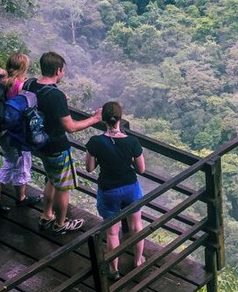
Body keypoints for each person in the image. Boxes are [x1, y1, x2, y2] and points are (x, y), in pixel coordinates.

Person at [24, 51, 101, 234]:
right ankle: (60, 224)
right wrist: (95, 119)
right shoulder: (55, 95)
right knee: (63, 187)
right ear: (58, 70)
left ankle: (46, 215)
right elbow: (70, 127)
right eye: (63, 71)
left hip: (37, 144)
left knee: (51, 178)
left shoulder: (30, 84)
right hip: (56, 147)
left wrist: (60, 100)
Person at [85, 102, 146, 280]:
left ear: (103, 119)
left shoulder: (95, 142)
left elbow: (89, 168)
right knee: (136, 227)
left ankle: (114, 269)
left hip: (108, 190)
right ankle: (137, 261)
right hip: (130, 188)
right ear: (121, 118)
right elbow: (141, 169)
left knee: (112, 232)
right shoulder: (132, 141)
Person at [0, 53, 42, 213]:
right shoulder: (20, 86)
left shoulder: (0, 77)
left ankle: (21, 197)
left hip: (1, 127)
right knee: (18, 162)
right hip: (15, 131)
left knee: (14, 160)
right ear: (23, 68)